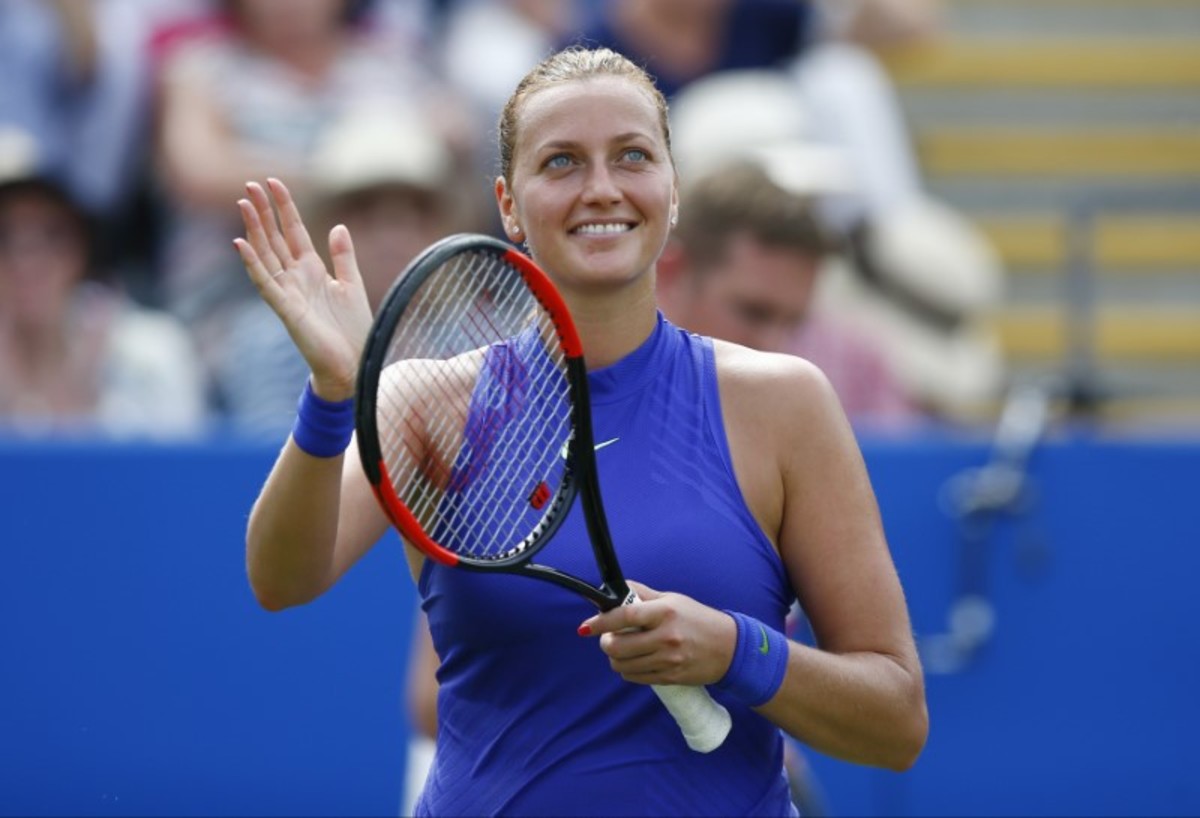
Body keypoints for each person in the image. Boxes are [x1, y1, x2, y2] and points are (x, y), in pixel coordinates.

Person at [234, 46, 927, 816]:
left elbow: (896, 721)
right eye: (561, 162)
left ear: (672, 189)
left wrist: (737, 651)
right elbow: (281, 580)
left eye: (632, 156)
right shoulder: (425, 402)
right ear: (508, 204)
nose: (601, 188)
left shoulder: (787, 404)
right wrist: (333, 396)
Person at [215, 102, 462, 435]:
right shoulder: (266, 340)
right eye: (364, 211)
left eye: (417, 212)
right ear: (320, 227)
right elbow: (268, 457)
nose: (393, 236)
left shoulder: (480, 340)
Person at [657, 159, 917, 428]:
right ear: (670, 273)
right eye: (754, 313)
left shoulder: (849, 373)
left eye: (795, 323)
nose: (775, 346)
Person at [0, 127, 206, 438]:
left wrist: (82, 398)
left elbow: (180, 463)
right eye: (4, 237)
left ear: (84, 250)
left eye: (53, 235)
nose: (27, 261)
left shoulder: (153, 351)